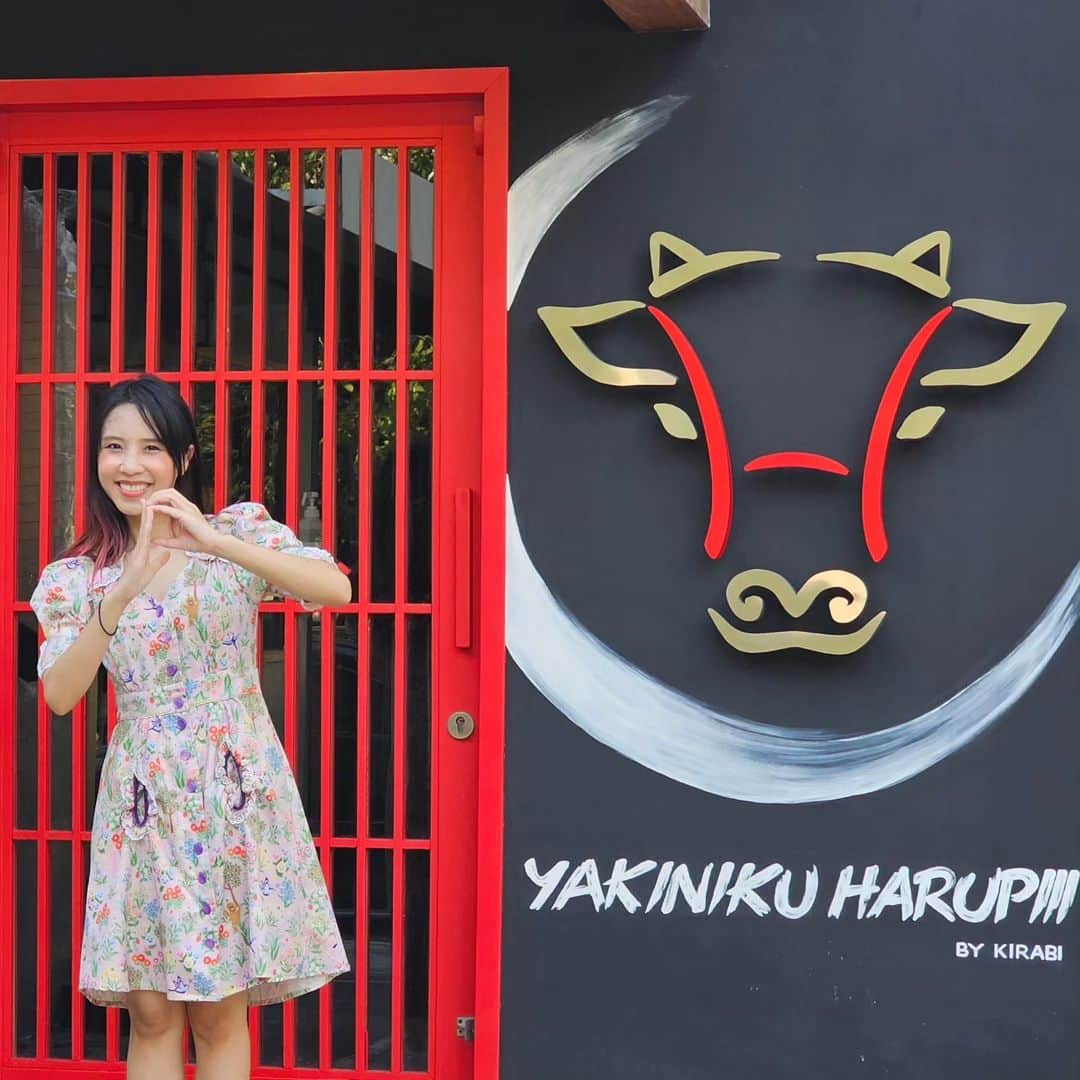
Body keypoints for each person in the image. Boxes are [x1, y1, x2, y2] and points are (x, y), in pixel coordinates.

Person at [30, 375, 352, 1080]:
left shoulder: (235, 532)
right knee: (150, 1014)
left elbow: (334, 588)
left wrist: (215, 542)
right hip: (142, 803)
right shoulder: (75, 577)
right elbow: (60, 694)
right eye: (114, 447)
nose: (130, 465)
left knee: (218, 1014)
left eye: (150, 447)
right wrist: (123, 587)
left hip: (233, 795)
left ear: (182, 457)